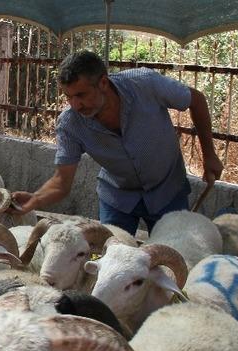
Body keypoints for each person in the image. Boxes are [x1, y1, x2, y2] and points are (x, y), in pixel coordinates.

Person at [11, 50, 223, 234]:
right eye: (68, 97)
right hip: (119, 198)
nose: (75, 105)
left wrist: (210, 155)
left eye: (81, 95)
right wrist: (35, 200)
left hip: (168, 190)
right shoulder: (70, 124)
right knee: (110, 258)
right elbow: (61, 182)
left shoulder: (146, 83)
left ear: (103, 82)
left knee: (174, 257)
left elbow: (196, 100)